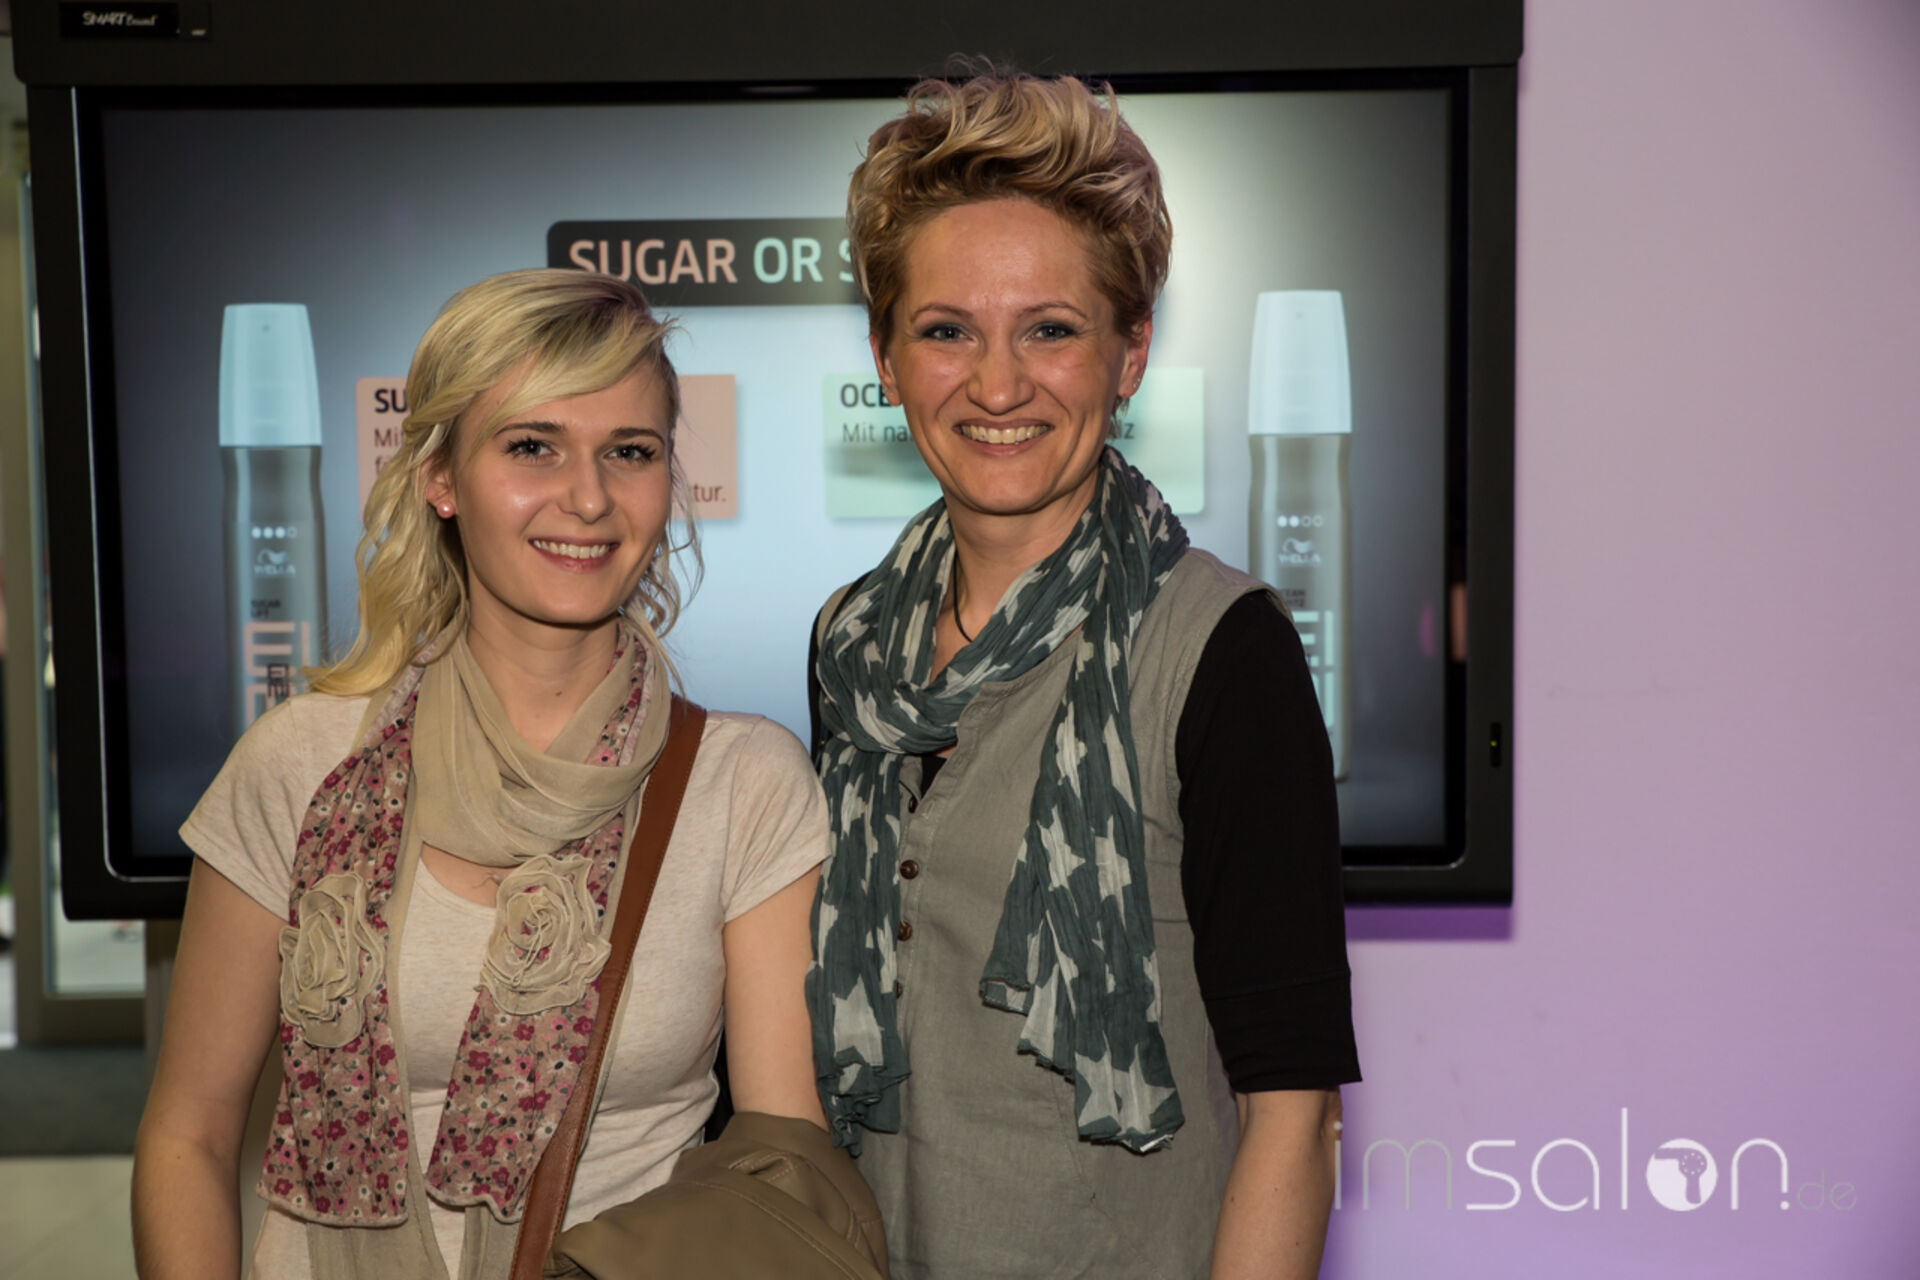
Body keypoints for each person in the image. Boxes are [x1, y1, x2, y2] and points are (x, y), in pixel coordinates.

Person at [133, 269, 828, 1280]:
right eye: (533, 445)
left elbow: (781, 1166)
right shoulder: (299, 763)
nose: (588, 497)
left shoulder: (745, 783)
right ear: (441, 477)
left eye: (629, 451)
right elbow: (189, 1134)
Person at [807, 72, 1360, 1279]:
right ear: (885, 357)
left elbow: (1293, 1111)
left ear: (1131, 352)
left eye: (1050, 329)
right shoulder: (850, 644)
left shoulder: (1225, 649)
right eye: (946, 330)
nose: (998, 384)